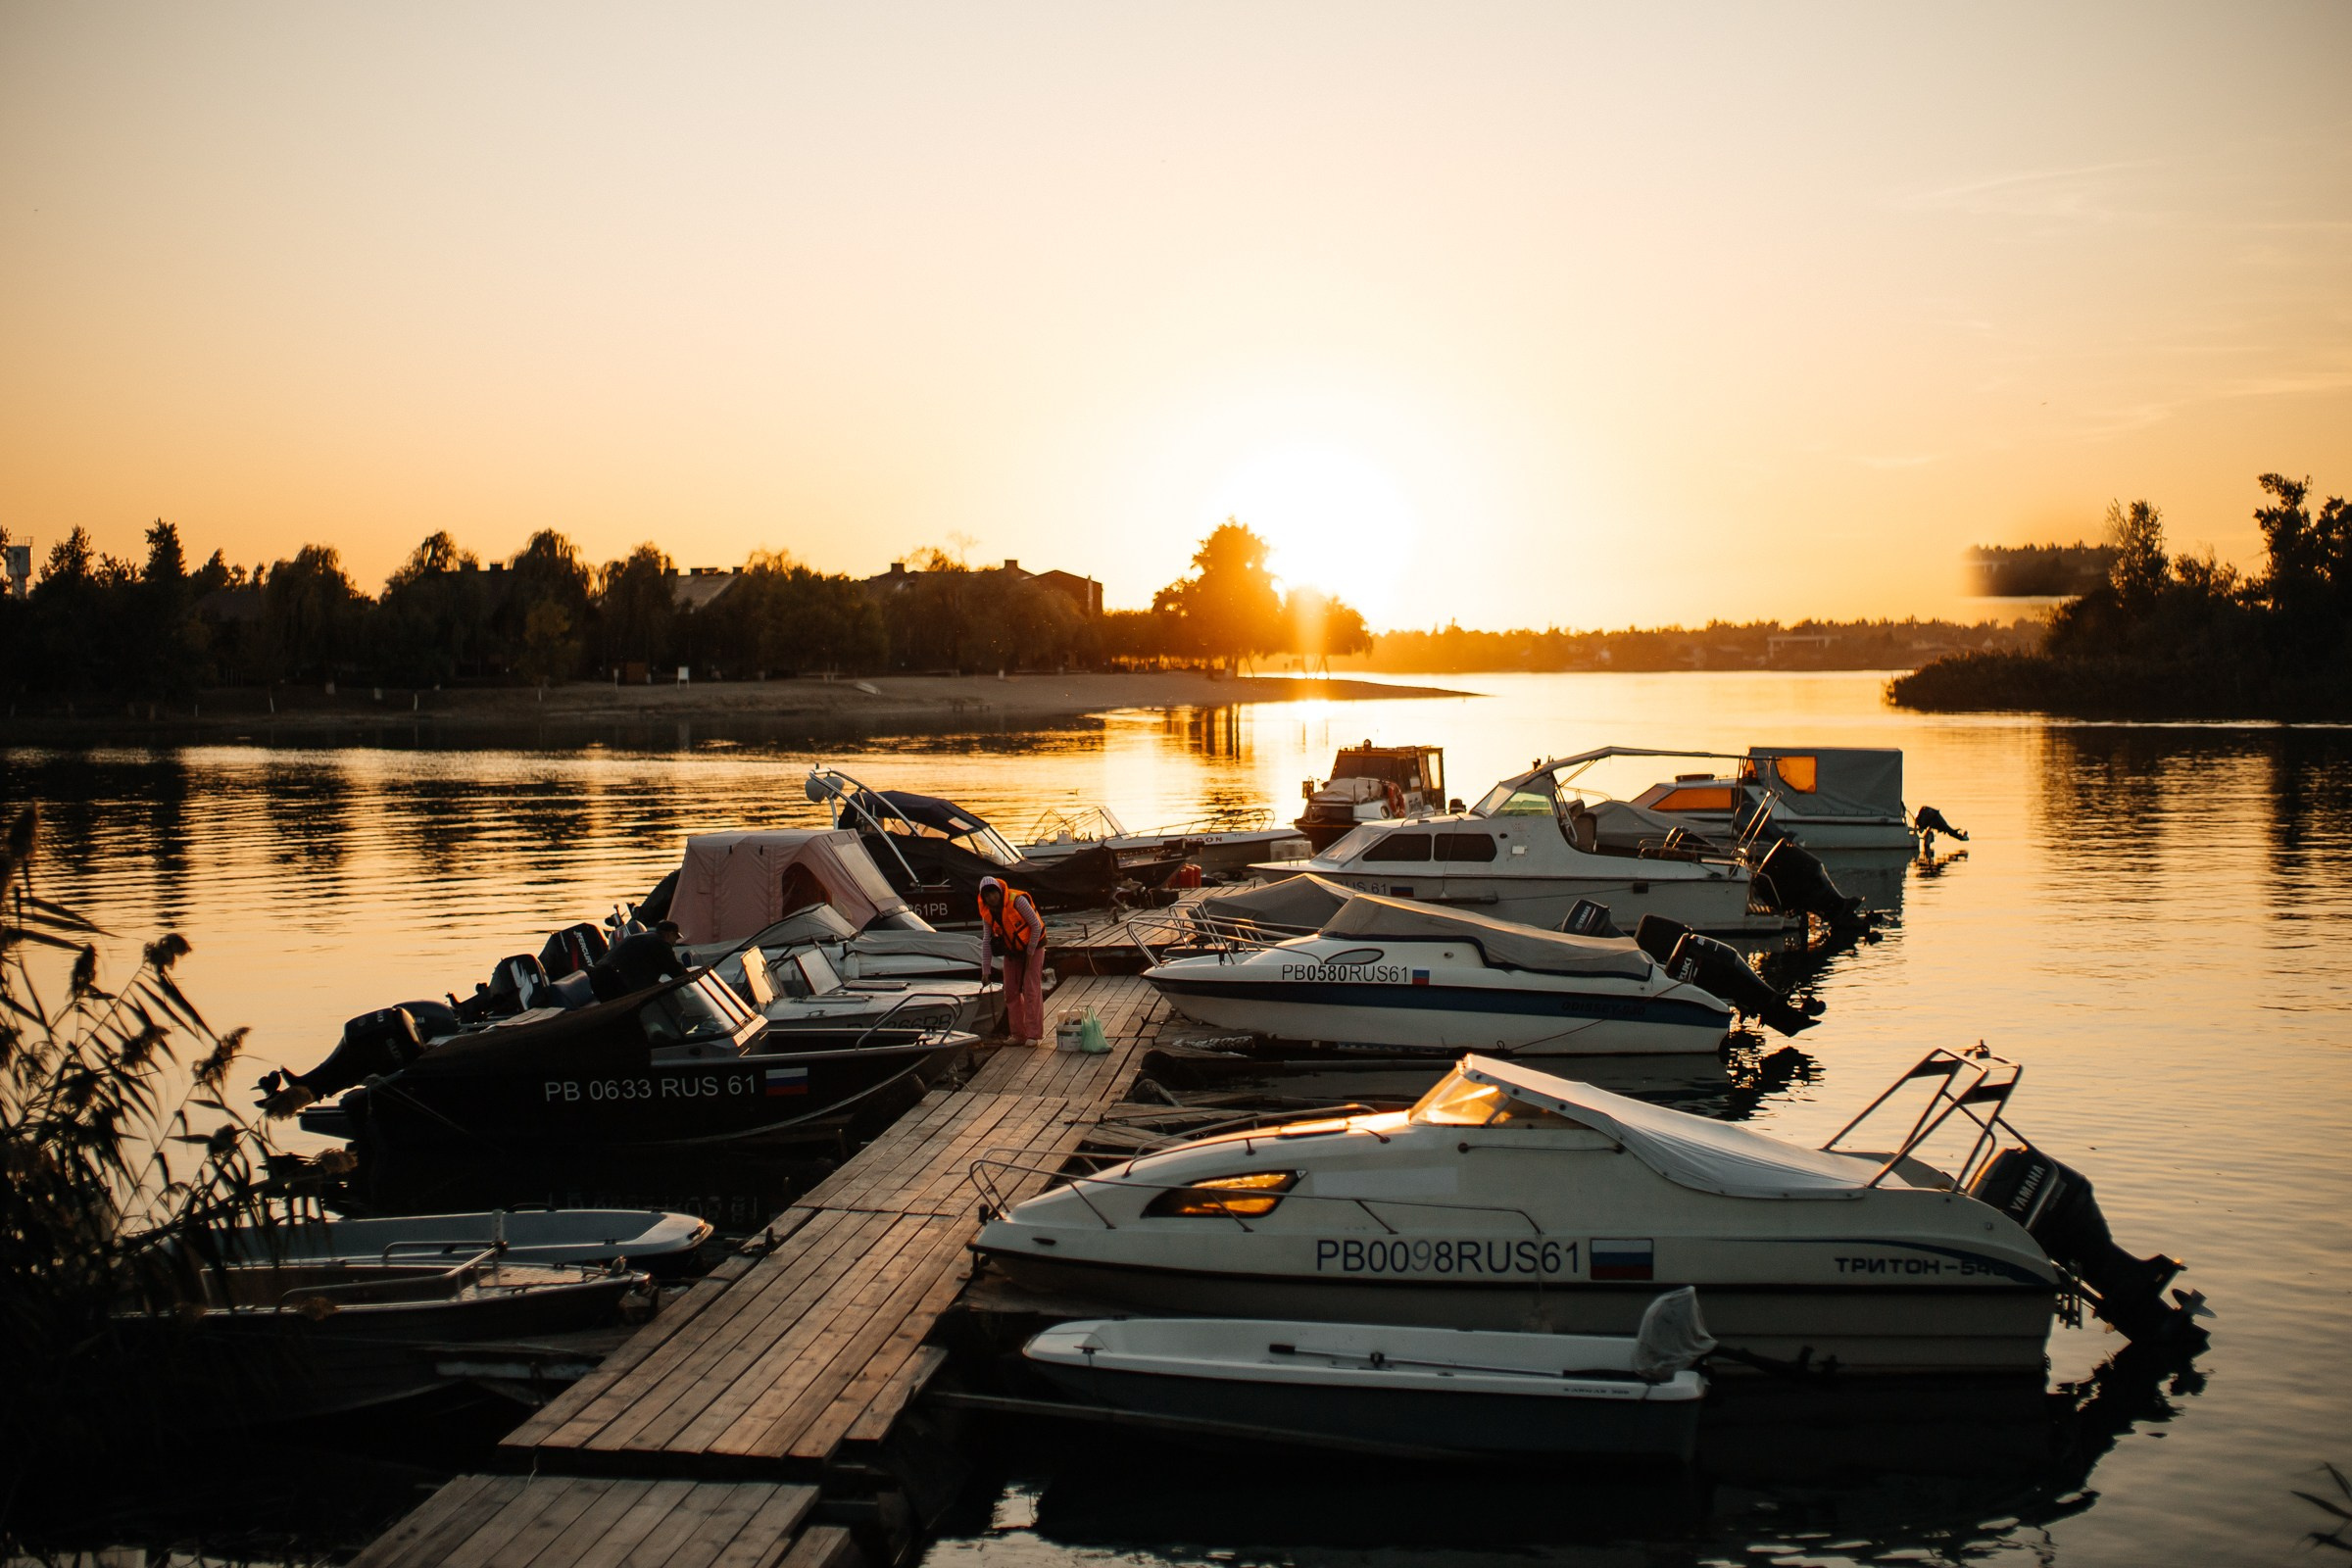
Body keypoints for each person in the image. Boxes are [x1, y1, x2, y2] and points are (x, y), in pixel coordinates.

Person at [976, 875, 1047, 1044]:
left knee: (1031, 989)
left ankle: (1033, 1034)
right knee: (1010, 991)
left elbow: (1036, 926)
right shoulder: (987, 913)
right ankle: (1018, 1034)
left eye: (993, 893)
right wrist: (985, 971)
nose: (991, 898)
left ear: (999, 891)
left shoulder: (1018, 901)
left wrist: (1029, 953)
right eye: (987, 895)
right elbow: (986, 940)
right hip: (1012, 951)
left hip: (1034, 946)